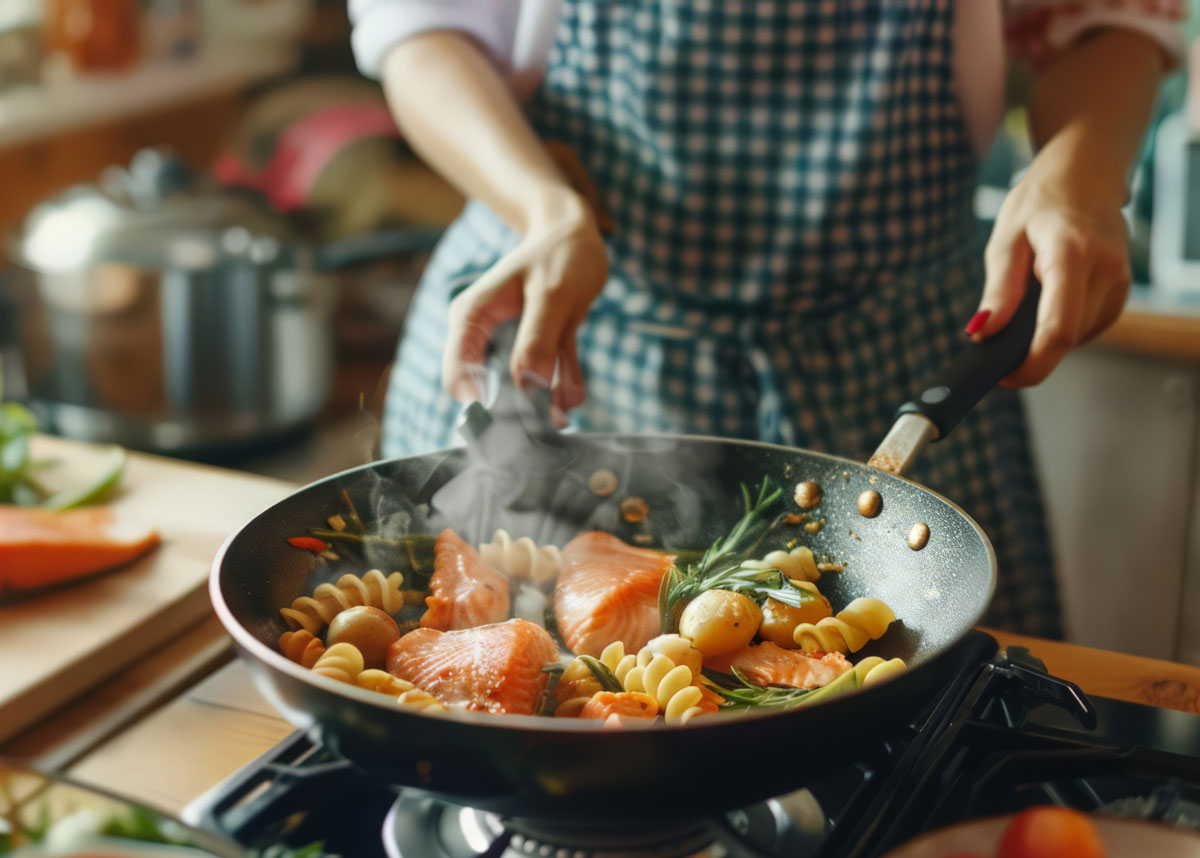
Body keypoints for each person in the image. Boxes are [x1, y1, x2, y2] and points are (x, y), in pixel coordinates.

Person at [347, 0, 1182, 637]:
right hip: (571, 333)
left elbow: (1099, 21)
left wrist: (1083, 167)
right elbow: (424, 31)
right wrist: (544, 207)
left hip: (891, 369)